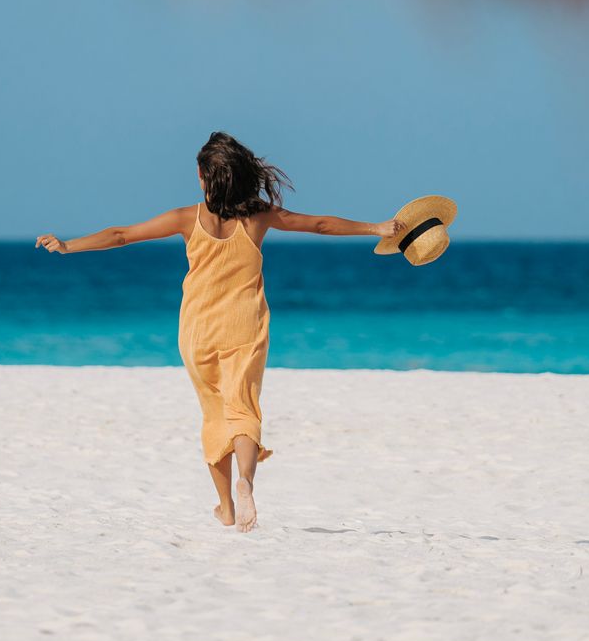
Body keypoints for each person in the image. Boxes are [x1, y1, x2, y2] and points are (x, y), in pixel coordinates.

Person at [36, 131, 402, 532]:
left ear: (202, 176)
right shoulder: (259, 215)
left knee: (215, 414)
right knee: (243, 408)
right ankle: (247, 482)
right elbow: (319, 225)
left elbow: (122, 235)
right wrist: (377, 227)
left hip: (198, 330)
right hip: (245, 325)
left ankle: (226, 507)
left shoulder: (186, 219)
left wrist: (69, 246)